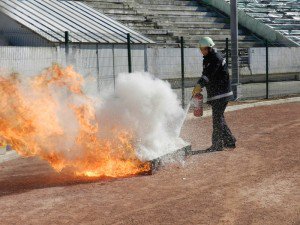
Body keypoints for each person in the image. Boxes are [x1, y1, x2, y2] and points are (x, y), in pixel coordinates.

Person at [192, 37, 236, 152]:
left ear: (209, 48)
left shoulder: (216, 58)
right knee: (219, 117)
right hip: (216, 93)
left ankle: (217, 145)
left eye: (202, 49)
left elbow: (209, 74)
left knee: (217, 119)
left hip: (221, 93)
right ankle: (230, 141)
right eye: (200, 49)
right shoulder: (207, 58)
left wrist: (200, 85)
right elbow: (205, 74)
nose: (201, 51)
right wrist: (198, 85)